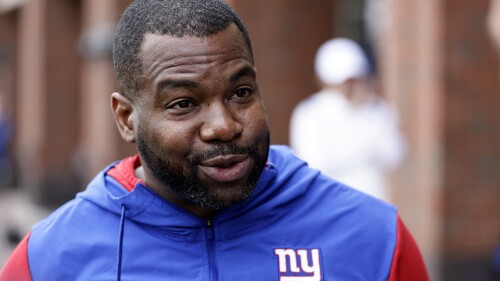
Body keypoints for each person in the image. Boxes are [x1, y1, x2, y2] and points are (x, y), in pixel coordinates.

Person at [0, 1, 428, 280]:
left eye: (241, 93)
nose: (223, 126)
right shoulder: (49, 260)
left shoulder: (375, 240)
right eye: (184, 103)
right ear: (126, 118)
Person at [290, 38, 406, 202]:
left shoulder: (376, 108)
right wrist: (363, 150)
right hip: (333, 207)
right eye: (346, 81)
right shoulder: (311, 113)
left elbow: (395, 155)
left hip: (374, 203)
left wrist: (369, 113)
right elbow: (314, 163)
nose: (350, 86)